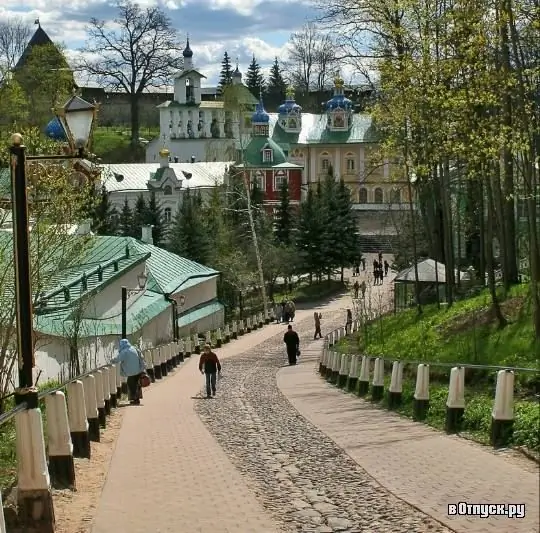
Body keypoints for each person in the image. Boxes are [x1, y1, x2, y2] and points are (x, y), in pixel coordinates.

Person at [111, 338, 146, 405]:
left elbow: (118, 359)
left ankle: (135, 399)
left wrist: (111, 360)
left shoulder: (124, 352)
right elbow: (141, 356)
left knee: (131, 385)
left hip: (131, 372)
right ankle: (137, 399)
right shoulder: (134, 348)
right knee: (137, 384)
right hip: (138, 370)